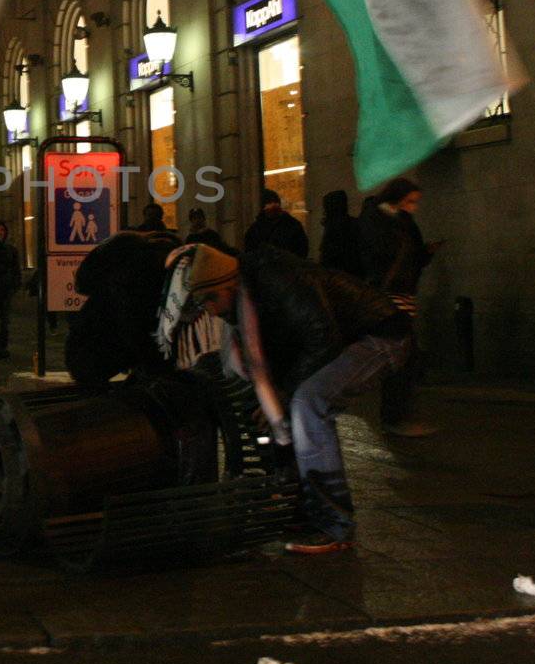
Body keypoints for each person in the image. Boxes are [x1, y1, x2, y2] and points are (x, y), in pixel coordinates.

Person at [160, 242, 412, 555]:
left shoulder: (278, 279)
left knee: (309, 403)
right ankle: (302, 509)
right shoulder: (245, 298)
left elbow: (322, 336)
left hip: (380, 335)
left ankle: (335, 524)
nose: (210, 310)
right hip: (343, 339)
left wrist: (284, 393)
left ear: (229, 284)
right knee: (292, 405)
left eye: (211, 299)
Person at [358, 178, 441, 437]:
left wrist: (424, 254)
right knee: (403, 354)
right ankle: (395, 416)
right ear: (396, 197)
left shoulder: (404, 222)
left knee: (403, 355)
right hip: (387, 295)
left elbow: (411, 254)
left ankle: (396, 415)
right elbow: (376, 255)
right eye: (410, 201)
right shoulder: (375, 220)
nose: (413, 207)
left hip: (404, 293)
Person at [0, 220, 20, 362]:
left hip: (5, 289)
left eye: (2, 230)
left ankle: (2, 346)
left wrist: (15, 285)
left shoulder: (11, 249)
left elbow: (15, 268)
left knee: (5, 320)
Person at [243, 189, 308, 259]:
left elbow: (302, 250)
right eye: (269, 203)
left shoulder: (292, 225)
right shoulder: (255, 229)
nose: (273, 205)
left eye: (275, 202)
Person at [317, 190, 364, 276]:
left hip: (337, 275)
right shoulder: (355, 223)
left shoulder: (332, 227)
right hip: (354, 273)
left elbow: (327, 256)